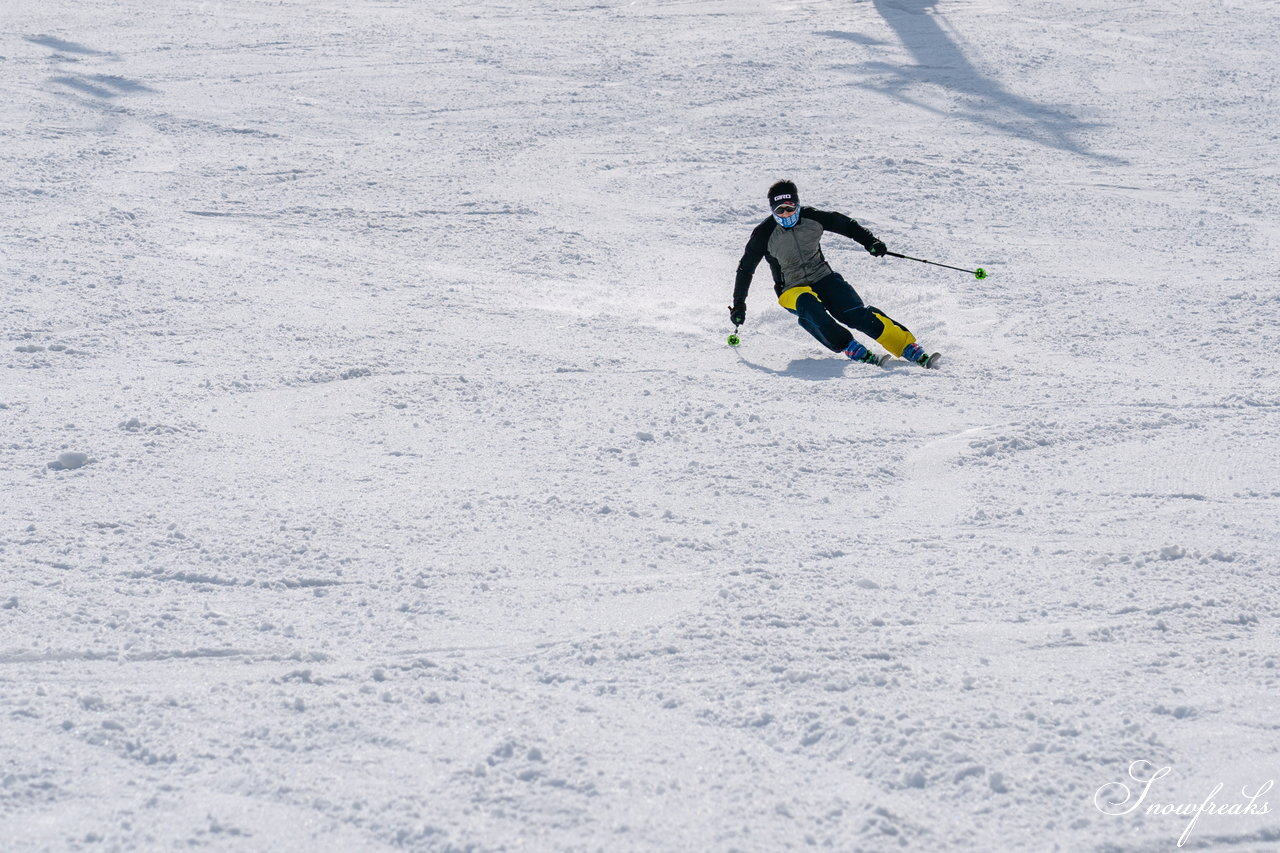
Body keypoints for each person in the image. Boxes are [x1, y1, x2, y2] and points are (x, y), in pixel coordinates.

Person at [731, 180, 939, 368]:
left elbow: (846, 225)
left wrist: (870, 242)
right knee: (809, 305)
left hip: (823, 276)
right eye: (780, 210)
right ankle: (849, 346)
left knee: (855, 314)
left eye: (790, 208)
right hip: (791, 289)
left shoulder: (812, 218)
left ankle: (907, 347)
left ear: (797, 204)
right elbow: (745, 269)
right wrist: (739, 304)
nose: (786, 214)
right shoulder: (764, 234)